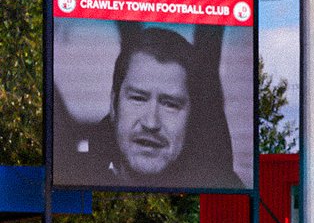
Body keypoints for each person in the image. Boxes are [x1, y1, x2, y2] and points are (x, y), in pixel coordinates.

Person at [58, 25, 244, 190]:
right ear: (114, 107)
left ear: (192, 119)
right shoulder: (71, 180)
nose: (151, 122)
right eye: (138, 98)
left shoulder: (221, 185)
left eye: (170, 104)